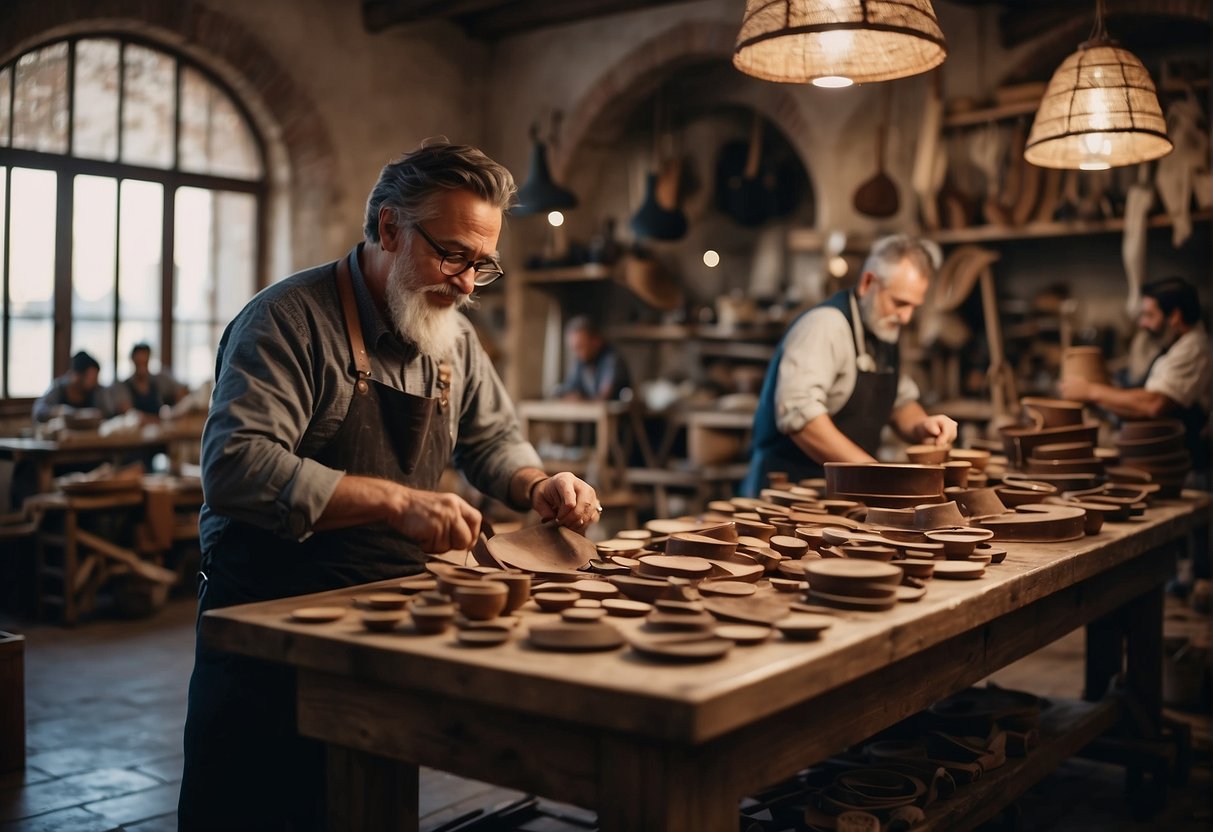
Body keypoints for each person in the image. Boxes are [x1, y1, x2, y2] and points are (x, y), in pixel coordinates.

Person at [178, 141, 601, 831]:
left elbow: (491, 440)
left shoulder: (451, 339)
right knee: (259, 808)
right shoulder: (287, 321)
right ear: (387, 229)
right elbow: (236, 466)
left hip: (382, 625)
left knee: (363, 806)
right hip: (273, 626)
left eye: (482, 264)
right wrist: (397, 501)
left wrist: (538, 484)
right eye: (453, 254)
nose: (467, 283)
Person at [741, 234, 958, 495]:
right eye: (900, 303)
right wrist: (871, 473)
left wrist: (922, 425)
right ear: (868, 282)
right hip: (787, 490)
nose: (906, 316)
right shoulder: (824, 326)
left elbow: (898, 402)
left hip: (841, 490)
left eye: (913, 306)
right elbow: (800, 417)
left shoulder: (882, 331)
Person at [1060, 276, 1210, 472]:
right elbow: (1141, 404)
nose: (1142, 323)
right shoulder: (1173, 345)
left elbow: (1154, 404)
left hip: (1185, 465)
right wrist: (1102, 397)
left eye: (1149, 315)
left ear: (1174, 316)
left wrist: (1091, 391)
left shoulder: (1194, 348)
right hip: (1161, 457)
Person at [553, 315, 631, 401]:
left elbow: (604, 397)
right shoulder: (581, 362)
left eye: (580, 347)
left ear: (596, 341)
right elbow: (569, 390)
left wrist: (580, 399)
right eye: (573, 349)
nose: (576, 353)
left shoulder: (612, 360)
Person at [31, 350, 112, 423]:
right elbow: (39, 411)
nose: (96, 382)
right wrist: (58, 411)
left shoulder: (96, 391)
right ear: (78, 376)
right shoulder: (59, 388)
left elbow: (107, 413)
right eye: (92, 378)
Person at [113, 342, 187, 419]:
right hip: (136, 429)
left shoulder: (159, 380)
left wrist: (175, 411)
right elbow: (128, 412)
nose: (142, 369)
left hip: (161, 428)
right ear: (133, 361)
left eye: (144, 363)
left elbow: (182, 391)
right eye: (138, 364)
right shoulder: (123, 386)